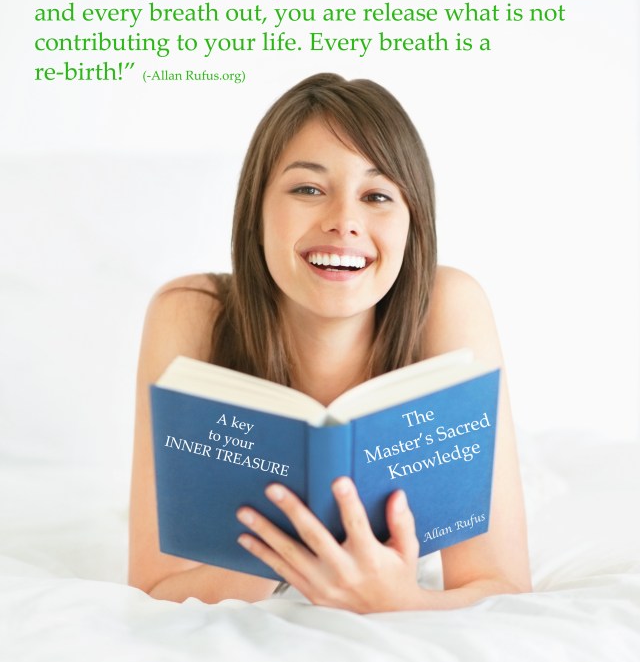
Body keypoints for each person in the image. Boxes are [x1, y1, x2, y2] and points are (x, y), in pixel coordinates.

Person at [128, 73, 531, 611]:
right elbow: (152, 590)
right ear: (256, 211)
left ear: (413, 224)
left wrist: (397, 599)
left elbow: (501, 587)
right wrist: (280, 552)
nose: (344, 222)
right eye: (308, 189)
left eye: (377, 195)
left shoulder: (448, 304)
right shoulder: (190, 312)